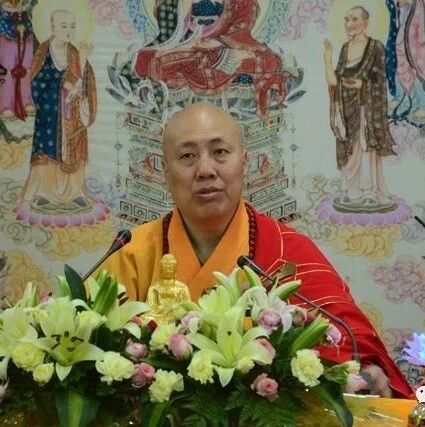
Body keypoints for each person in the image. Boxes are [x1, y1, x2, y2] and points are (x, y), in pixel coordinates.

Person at [102, 103, 412, 398]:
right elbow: (95, 353)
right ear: (166, 173)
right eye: (187, 156)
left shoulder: (286, 251)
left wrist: (364, 368)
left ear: (244, 163)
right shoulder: (131, 254)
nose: (205, 170)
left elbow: (346, 336)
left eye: (220, 152)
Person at [133, 0, 288, 117]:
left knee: (269, 61)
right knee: (146, 60)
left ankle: (220, 60)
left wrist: (219, 42)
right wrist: (183, 10)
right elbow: (167, 27)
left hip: (226, 47)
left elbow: (243, 26)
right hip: (187, 48)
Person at [15, 8, 97, 219]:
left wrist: (83, 62)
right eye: (63, 26)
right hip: (50, 113)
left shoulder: (75, 53)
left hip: (72, 115)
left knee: (74, 148)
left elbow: (84, 82)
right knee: (48, 149)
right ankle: (44, 193)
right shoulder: (43, 52)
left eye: (72, 26)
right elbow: (36, 82)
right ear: (52, 27)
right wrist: (63, 85)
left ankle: (75, 193)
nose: (68, 30)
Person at [323, 6, 397, 213]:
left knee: (364, 146)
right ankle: (349, 190)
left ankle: (368, 192)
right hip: (346, 107)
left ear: (365, 22)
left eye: (354, 19)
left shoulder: (375, 47)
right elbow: (335, 81)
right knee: (347, 146)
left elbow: (380, 80)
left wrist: (363, 85)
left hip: (366, 108)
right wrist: (327, 57)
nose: (349, 24)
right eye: (346, 19)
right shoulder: (345, 48)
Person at [145, 254, 191, 325]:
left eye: (170, 268)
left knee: (187, 318)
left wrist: (173, 308)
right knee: (146, 318)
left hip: (176, 316)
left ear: (175, 269)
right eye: (165, 268)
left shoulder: (182, 287)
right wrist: (161, 308)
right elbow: (150, 308)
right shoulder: (154, 288)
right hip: (159, 316)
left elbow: (187, 306)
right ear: (161, 270)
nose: (168, 271)